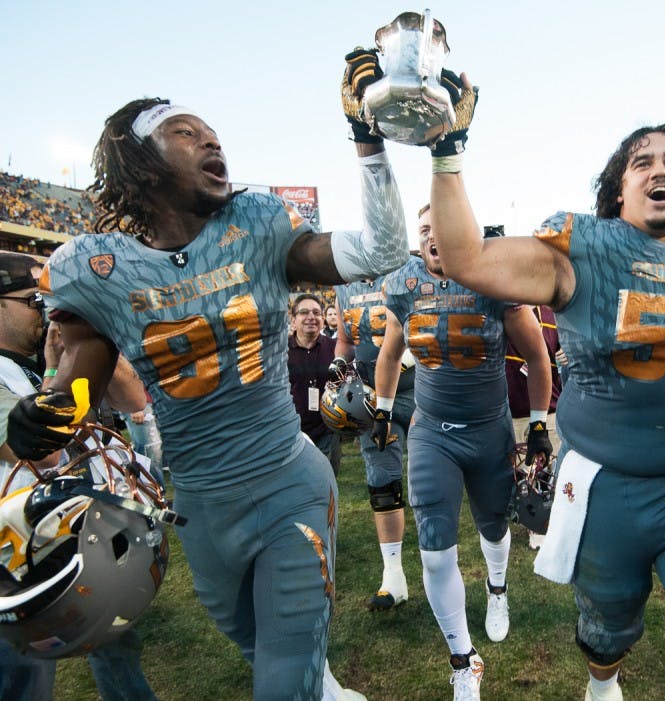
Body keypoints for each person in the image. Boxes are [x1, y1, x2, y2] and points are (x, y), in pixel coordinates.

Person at [4, 59, 413, 701]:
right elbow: (81, 379)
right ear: (141, 163)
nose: (211, 140)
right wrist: (49, 410)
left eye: (212, 133)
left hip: (287, 480)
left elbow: (381, 253)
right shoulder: (95, 268)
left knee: (283, 675)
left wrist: (368, 143)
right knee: (260, 648)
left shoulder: (257, 225)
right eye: (187, 133)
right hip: (200, 503)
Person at [427, 96, 665, 700]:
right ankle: (602, 685)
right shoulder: (582, 250)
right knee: (607, 625)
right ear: (619, 190)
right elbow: (466, 258)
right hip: (608, 483)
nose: (660, 170)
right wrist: (447, 151)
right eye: (642, 163)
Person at [374, 203, 553, 701]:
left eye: (441, 227)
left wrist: (537, 423)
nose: (433, 236)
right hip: (432, 432)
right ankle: (463, 660)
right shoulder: (406, 282)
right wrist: (385, 410)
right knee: (433, 551)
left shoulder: (493, 275)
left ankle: (498, 590)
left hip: (488, 428)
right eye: (424, 229)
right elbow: (391, 352)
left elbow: (538, 355)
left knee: (493, 525)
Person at [0, 252, 159, 701]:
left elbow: (132, 400)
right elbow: (40, 451)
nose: (46, 311)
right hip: (17, 556)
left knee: (114, 636)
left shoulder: (47, 358)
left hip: (68, 532)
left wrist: (90, 338)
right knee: (23, 677)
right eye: (34, 300)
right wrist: (57, 370)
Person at [332, 271, 417, 610]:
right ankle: (393, 576)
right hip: (371, 394)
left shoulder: (407, 272)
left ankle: (440, 563)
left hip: (418, 388)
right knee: (383, 483)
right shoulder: (344, 286)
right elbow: (345, 340)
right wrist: (338, 362)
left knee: (431, 478)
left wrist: (397, 361)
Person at [504, 302, 562, 550]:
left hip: (550, 405)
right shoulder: (506, 310)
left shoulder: (552, 313)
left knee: (549, 468)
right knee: (522, 471)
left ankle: (550, 522)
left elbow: (567, 346)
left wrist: (569, 352)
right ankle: (531, 521)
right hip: (514, 406)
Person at [288, 293, 341, 470]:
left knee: (327, 487)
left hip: (327, 431)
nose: (311, 317)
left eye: (316, 313)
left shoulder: (336, 348)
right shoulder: (280, 351)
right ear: (293, 320)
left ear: (323, 319)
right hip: (291, 432)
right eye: (304, 312)